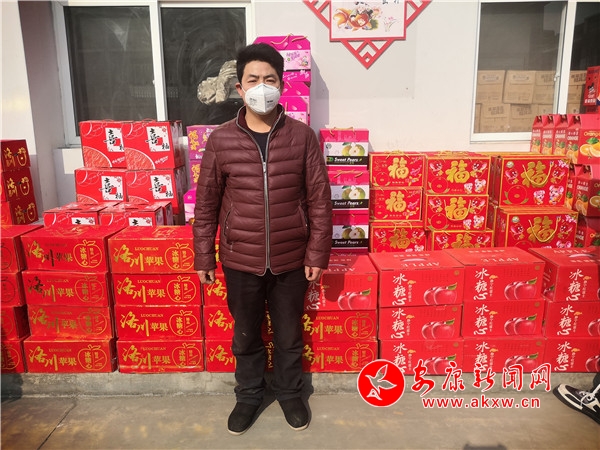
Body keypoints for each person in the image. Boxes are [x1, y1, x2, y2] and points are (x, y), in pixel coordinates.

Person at [193, 43, 333, 435]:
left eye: (269, 79)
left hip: (291, 258)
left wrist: (317, 253)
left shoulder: (302, 137)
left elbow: (320, 200)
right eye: (253, 80)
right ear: (239, 88)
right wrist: (204, 256)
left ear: (281, 86)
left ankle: (290, 394)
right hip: (240, 258)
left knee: (289, 333)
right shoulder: (221, 140)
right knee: (245, 334)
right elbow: (206, 204)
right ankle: (249, 395)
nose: (261, 87)